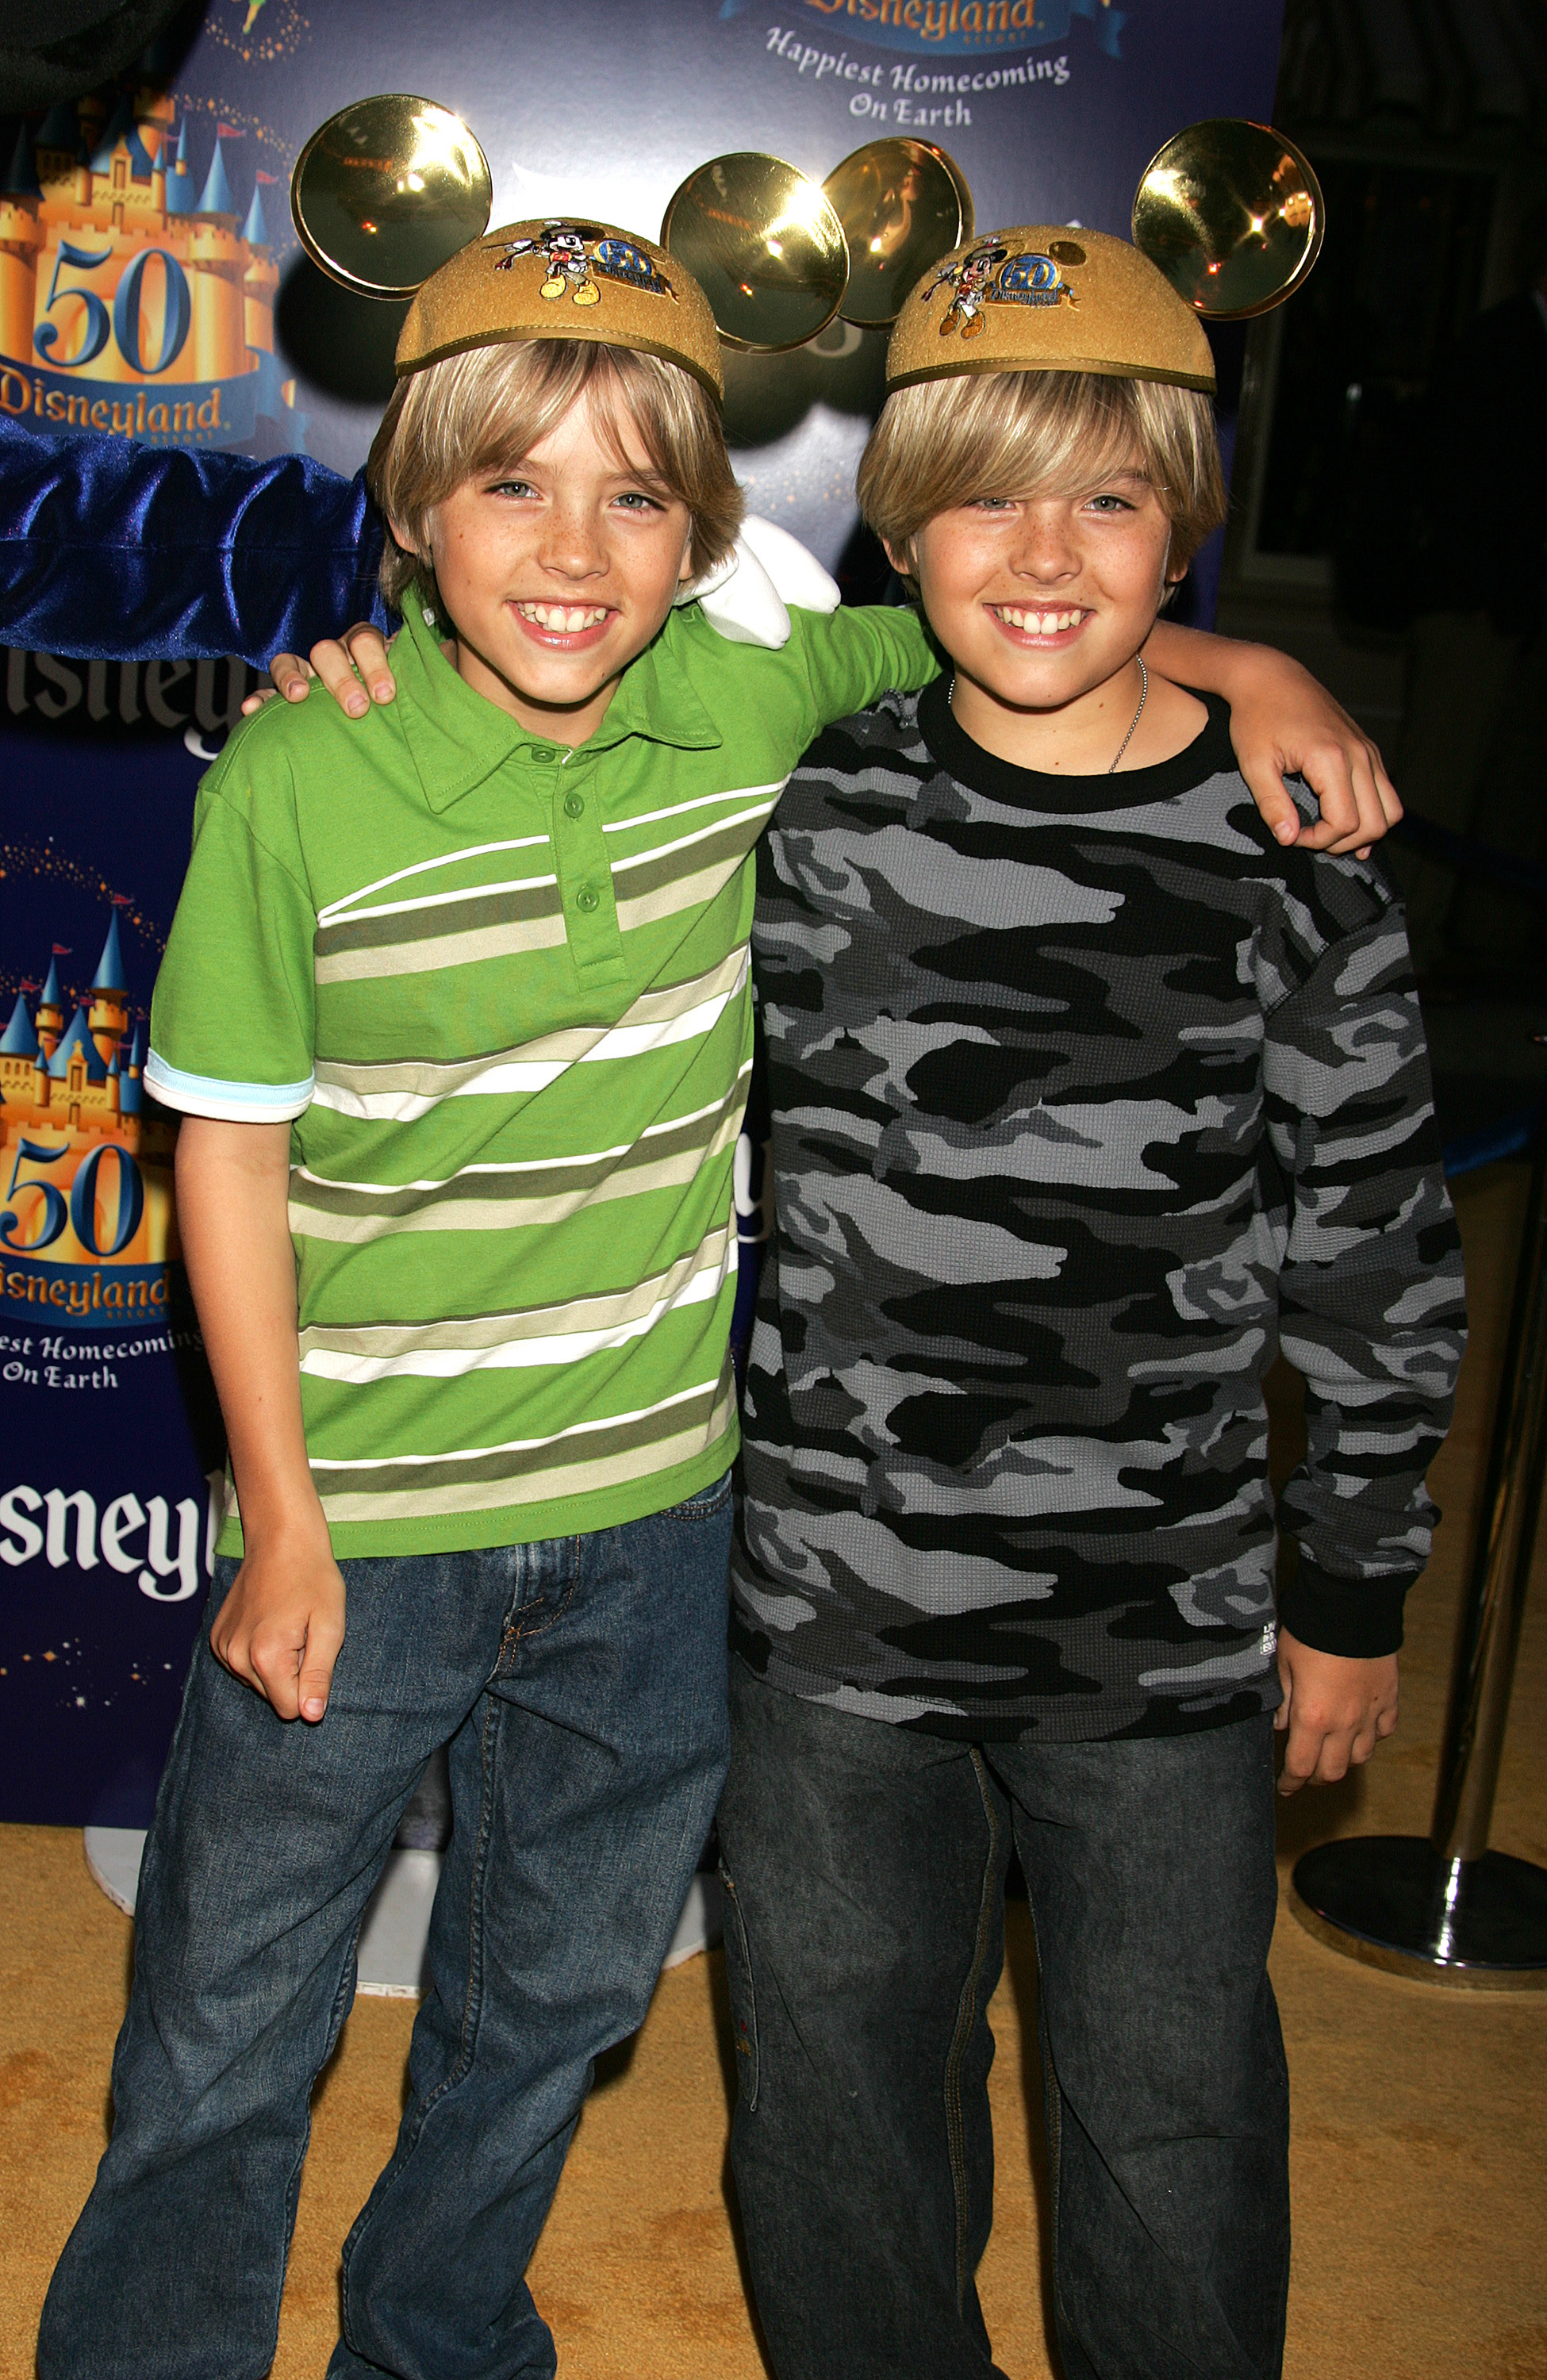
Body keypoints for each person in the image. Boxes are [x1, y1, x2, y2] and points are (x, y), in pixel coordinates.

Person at [33, 218, 954, 2380]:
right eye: (512, 483)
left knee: (558, 1999)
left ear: (702, 536)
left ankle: (438, 2341)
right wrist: (281, 1518)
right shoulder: (298, 775)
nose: (571, 548)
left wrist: (1266, 670)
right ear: (419, 507)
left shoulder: (743, 702)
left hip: (654, 1522)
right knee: (227, 2015)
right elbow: (228, 1155)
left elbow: (1017, 641)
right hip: (363, 1534)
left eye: (635, 494)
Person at [708, 230, 1464, 2380]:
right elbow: (561, 679)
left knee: (1173, 2115)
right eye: (984, 499)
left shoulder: (1294, 851)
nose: (1043, 555)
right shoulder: (820, 796)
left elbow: (1379, 1251)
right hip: (842, 1619)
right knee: (838, 2109)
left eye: (1111, 500)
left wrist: (1353, 1589)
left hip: (1169, 1633)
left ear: (1186, 527)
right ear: (900, 529)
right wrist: (344, 670)